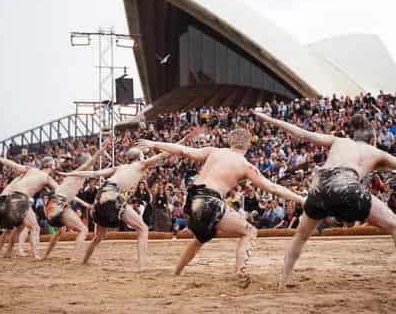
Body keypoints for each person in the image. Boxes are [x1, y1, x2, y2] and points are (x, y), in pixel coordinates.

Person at [136, 128, 304, 288]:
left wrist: (154, 143)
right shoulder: (246, 166)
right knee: (250, 231)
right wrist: (300, 198)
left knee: (201, 238)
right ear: (247, 145)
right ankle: (240, 271)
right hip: (210, 200)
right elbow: (273, 188)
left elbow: (182, 150)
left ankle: (177, 272)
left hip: (192, 199)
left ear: (230, 141)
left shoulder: (214, 151)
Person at [255, 112, 396, 290]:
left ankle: (282, 280)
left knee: (300, 235)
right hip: (345, 185)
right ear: (372, 139)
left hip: (318, 189)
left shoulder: (339, 141)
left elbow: (302, 133)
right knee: (394, 224)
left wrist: (268, 118)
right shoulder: (375, 151)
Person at [58, 131, 199, 271]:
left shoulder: (119, 167)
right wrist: (184, 140)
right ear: (139, 157)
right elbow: (165, 154)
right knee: (142, 228)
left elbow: (93, 174)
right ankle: (142, 267)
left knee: (98, 237)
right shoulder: (141, 164)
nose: (144, 156)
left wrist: (70, 173)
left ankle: (84, 261)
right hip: (112, 196)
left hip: (100, 197)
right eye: (142, 154)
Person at [42, 140, 109, 261]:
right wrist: (103, 148)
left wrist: (85, 204)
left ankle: (46, 255)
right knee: (83, 230)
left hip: (53, 204)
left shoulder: (76, 177)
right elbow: (92, 160)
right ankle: (73, 258)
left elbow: (71, 196)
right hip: (58, 203)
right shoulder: (79, 172)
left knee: (60, 231)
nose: (92, 167)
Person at [0, 155, 59, 259]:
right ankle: (36, 255)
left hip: (9, 197)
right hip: (20, 198)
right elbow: (60, 190)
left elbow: (14, 165)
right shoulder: (47, 177)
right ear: (51, 166)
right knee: (35, 227)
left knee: (19, 227)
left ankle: (8, 252)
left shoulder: (31, 170)